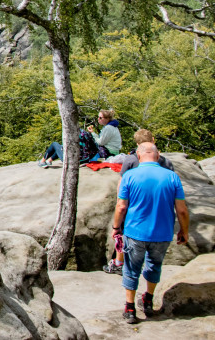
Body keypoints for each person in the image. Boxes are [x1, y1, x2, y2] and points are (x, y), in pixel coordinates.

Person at [111, 142, 190, 324]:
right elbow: (182, 210)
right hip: (162, 233)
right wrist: (184, 231)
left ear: (138, 155)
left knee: (131, 269)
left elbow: (121, 206)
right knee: (154, 265)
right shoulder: (172, 177)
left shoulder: (130, 176)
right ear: (158, 155)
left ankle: (130, 309)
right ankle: (148, 299)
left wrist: (116, 228)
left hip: (135, 232)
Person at [104, 130, 174, 275]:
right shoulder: (165, 162)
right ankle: (149, 267)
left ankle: (119, 263)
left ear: (137, 145)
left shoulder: (131, 160)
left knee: (122, 232)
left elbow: (122, 182)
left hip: (133, 203)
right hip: (158, 204)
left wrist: (119, 202)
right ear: (153, 140)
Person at [39, 109, 122, 167]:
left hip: (108, 153)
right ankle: (49, 161)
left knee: (55, 145)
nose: (98, 119)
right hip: (109, 152)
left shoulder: (108, 128)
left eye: (100, 118)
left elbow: (100, 142)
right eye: (98, 117)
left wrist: (93, 133)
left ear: (107, 119)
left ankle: (42, 161)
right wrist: (92, 133)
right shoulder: (113, 127)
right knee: (62, 148)